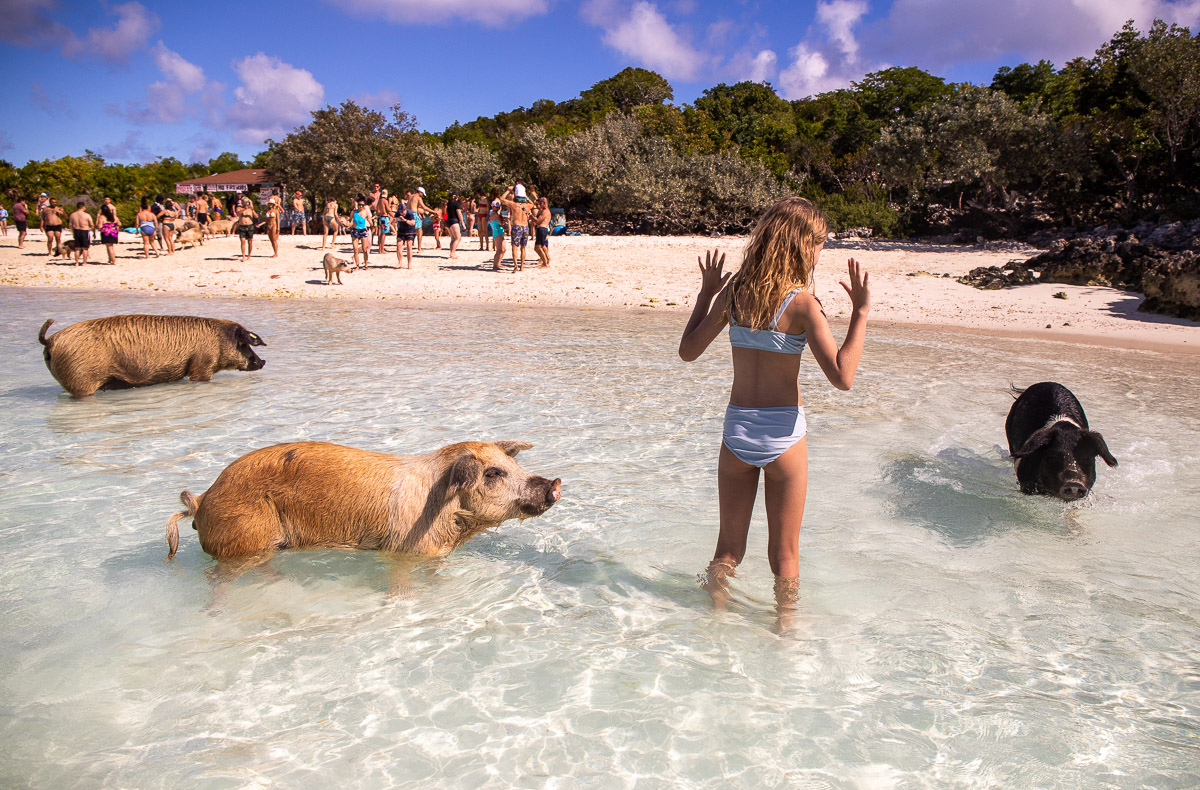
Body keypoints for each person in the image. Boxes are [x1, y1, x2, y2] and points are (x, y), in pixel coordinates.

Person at [676, 197, 870, 631]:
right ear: (801, 244)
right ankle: (786, 630)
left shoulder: (736, 292)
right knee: (784, 554)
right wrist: (860, 313)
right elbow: (843, 376)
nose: (821, 252)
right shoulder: (802, 304)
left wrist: (706, 294)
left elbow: (687, 352)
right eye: (820, 243)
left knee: (727, 550)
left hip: (736, 434)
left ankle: (715, 623)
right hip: (783, 435)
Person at [499, 185, 533, 272]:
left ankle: (516, 266)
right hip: (525, 226)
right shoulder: (528, 206)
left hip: (516, 226)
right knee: (523, 248)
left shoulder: (513, 204)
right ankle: (522, 266)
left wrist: (508, 190)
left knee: (514, 247)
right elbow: (533, 203)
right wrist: (526, 196)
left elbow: (502, 199)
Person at [95, 196, 120, 264]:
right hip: (113, 231)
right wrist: (115, 227)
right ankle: (110, 259)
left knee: (109, 247)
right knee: (110, 246)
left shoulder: (102, 217)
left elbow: (100, 226)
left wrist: (99, 226)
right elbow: (119, 223)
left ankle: (113, 261)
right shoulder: (114, 217)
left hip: (106, 232)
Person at [234, 197, 258, 262]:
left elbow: (256, 216)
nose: (245, 203)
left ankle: (249, 255)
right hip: (242, 226)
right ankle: (243, 256)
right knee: (243, 241)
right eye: (243, 202)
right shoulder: (239, 208)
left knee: (250, 241)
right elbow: (238, 214)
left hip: (249, 226)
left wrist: (252, 209)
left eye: (246, 202)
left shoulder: (250, 209)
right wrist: (244, 209)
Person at [395, 198, 417, 269]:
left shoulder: (410, 213)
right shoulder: (398, 213)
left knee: (409, 246)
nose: (401, 213)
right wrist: (396, 220)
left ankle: (409, 263)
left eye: (402, 211)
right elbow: (392, 222)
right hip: (401, 230)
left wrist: (405, 220)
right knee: (399, 245)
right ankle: (399, 262)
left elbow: (413, 223)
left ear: (405, 209)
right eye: (400, 211)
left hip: (410, 230)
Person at [444, 191, 466, 259]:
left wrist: (444, 221)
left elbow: (445, 212)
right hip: (454, 221)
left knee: (453, 239)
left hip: (448, 220)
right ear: (457, 196)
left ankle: (452, 252)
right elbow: (459, 214)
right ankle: (452, 253)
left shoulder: (449, 203)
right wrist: (463, 223)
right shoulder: (457, 204)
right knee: (458, 238)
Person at [350, 198, 370, 269]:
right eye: (359, 205)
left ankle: (366, 265)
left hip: (363, 231)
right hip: (355, 230)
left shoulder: (365, 212)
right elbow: (351, 221)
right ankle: (357, 266)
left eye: (362, 205)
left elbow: (371, 222)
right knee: (355, 249)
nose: (360, 206)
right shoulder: (354, 212)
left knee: (364, 249)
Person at [532, 196, 552, 268]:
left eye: (540, 203)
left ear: (544, 203)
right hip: (543, 229)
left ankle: (545, 262)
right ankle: (547, 259)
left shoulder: (545, 212)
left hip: (542, 229)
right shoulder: (546, 211)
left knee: (537, 247)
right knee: (543, 246)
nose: (539, 205)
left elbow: (538, 221)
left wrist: (531, 217)